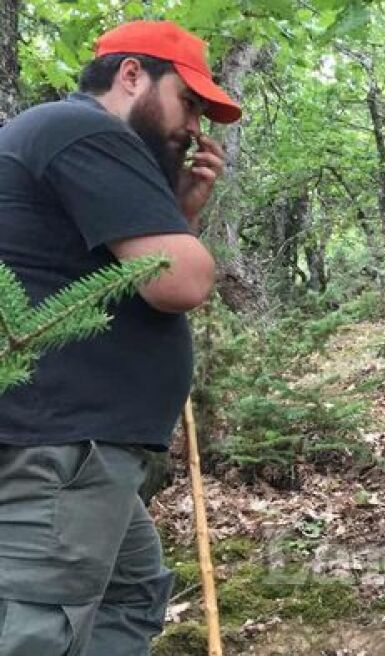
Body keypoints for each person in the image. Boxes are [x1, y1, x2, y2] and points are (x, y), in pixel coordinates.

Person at [0, 20, 240, 654]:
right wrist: (185, 239)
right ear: (132, 74)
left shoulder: (66, 137)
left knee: (132, 592)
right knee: (38, 631)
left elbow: (119, 268)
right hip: (63, 446)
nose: (194, 128)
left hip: (74, 448)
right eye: (187, 102)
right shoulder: (86, 130)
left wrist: (178, 214)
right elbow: (176, 281)